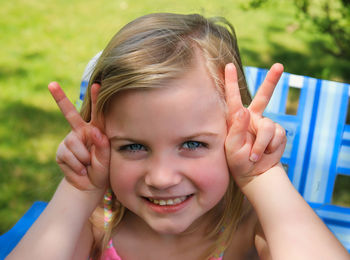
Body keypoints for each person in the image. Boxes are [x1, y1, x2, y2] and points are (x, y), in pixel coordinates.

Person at [7, 13, 349, 260]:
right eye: (134, 146)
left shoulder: (250, 226)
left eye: (193, 144)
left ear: (235, 136)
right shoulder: (97, 221)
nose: (161, 178)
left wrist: (262, 175)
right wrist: (78, 190)